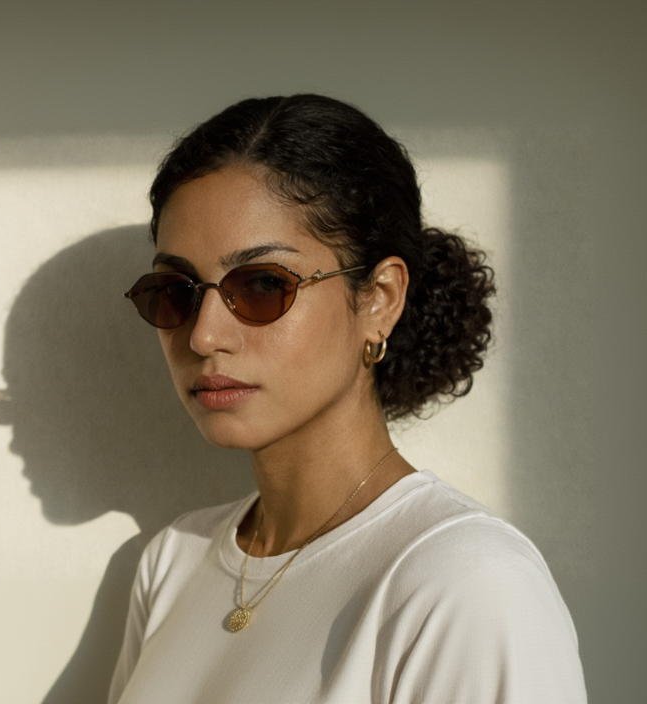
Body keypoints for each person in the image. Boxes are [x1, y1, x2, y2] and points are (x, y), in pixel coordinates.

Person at [109, 94, 586, 703]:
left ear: (380, 297)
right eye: (176, 291)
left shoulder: (464, 581)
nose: (202, 335)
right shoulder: (175, 561)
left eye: (261, 285)